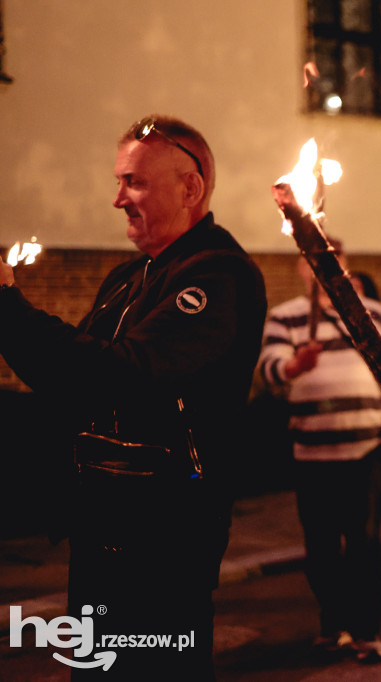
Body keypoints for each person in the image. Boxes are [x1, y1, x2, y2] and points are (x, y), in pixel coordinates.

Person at [0, 114, 267, 679]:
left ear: (190, 188)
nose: (117, 199)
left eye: (134, 182)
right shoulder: (129, 278)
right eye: (120, 181)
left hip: (164, 538)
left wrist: (8, 309)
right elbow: (71, 377)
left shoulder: (217, 275)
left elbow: (128, 374)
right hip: (103, 524)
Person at [257, 239, 381, 665]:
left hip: (364, 449)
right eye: (314, 262)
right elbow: (269, 366)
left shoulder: (372, 314)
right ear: (302, 270)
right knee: (321, 547)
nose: (322, 269)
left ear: (344, 267)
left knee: (364, 542)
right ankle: (333, 623)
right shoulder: (286, 316)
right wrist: (294, 366)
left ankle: (366, 631)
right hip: (312, 453)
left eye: (331, 261)